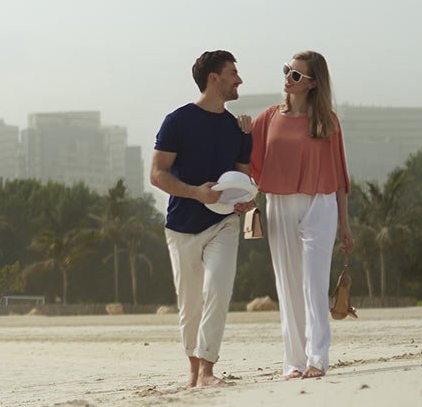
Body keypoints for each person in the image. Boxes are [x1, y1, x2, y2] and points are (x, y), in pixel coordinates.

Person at [149, 50, 256, 388]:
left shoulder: (238, 129)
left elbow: (243, 178)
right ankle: (194, 371)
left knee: (218, 290)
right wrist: (198, 193)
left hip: (223, 225)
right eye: (233, 73)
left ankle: (208, 369)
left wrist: (242, 203)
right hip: (181, 226)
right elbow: (156, 175)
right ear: (214, 78)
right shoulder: (177, 121)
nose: (239, 79)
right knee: (190, 301)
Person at [250, 50, 355, 379]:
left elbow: (339, 177)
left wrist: (345, 225)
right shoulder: (267, 118)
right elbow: (245, 160)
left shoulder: (327, 122)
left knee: (314, 282)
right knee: (288, 284)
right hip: (279, 203)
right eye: (286, 71)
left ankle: (317, 358)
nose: (287, 78)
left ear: (312, 84)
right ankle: (293, 361)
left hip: (320, 204)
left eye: (296, 75)